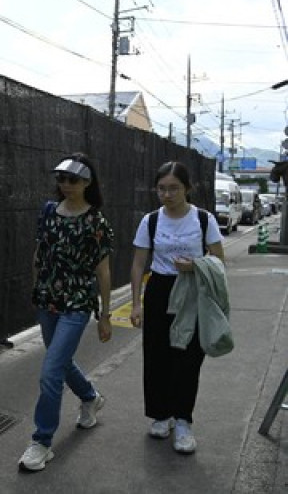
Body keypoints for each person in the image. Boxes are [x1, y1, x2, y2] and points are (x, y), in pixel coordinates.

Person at [18, 153, 114, 472]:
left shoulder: (95, 221)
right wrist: (37, 290)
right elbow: (38, 253)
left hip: (76, 302)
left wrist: (105, 315)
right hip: (48, 298)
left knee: (50, 372)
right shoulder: (48, 211)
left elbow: (103, 272)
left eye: (72, 179)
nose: (65, 184)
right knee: (59, 362)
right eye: (61, 178)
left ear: (88, 182)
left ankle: (41, 442)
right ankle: (89, 396)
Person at [129, 161, 224, 454]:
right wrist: (135, 304)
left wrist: (195, 265)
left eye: (174, 188)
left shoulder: (204, 219)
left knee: (187, 358)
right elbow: (138, 263)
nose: (167, 194)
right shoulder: (151, 220)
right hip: (159, 290)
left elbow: (219, 260)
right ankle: (161, 415)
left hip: (192, 292)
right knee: (157, 355)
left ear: (187, 189)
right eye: (161, 188)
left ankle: (183, 421)